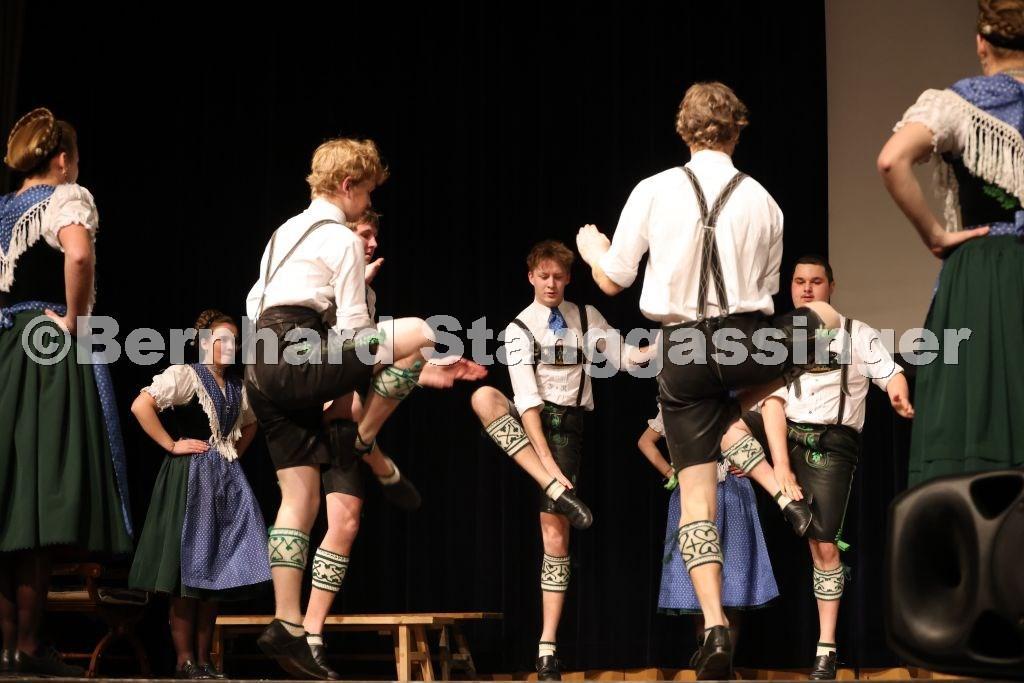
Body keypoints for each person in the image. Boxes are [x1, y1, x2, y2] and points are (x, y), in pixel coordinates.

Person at [576, 82, 837, 679]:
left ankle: (715, 625)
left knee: (696, 501)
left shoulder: (653, 189)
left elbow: (612, 281)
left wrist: (593, 248)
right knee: (823, 318)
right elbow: (770, 296)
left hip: (683, 350)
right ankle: (752, 432)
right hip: (747, 342)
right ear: (738, 131)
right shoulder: (765, 201)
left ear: (682, 130)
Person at [244, 137, 485, 680]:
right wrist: (415, 355)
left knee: (299, 498)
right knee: (422, 331)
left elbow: (256, 301)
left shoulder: (284, 230)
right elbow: (355, 330)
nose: (368, 205)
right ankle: (365, 438)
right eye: (368, 193)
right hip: (300, 353)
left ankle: (287, 622)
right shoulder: (341, 239)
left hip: (261, 366)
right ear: (348, 185)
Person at [721, 256, 912, 679]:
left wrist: (897, 394)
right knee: (723, 423)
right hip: (785, 431)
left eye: (816, 281)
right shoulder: (780, 339)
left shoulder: (857, 333)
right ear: (791, 288)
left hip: (832, 443)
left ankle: (826, 648)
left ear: (831, 287)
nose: (807, 288)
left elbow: (891, 373)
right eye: (799, 281)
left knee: (824, 548)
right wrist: (780, 471)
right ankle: (781, 496)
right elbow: (771, 402)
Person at [471, 239, 652, 680]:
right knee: (483, 397)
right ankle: (552, 483)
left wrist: (672, 338)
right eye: (543, 276)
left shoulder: (585, 317)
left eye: (558, 276)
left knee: (555, 539)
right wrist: (548, 470)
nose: (551, 283)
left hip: (567, 430)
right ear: (530, 277)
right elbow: (527, 403)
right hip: (532, 427)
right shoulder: (519, 328)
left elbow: (629, 358)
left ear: (568, 278)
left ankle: (546, 647)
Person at [0, 108, 132, 678]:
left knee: (9, 495)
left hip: (6, 346)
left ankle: (10, 646)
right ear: (61, 160)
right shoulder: (67, 197)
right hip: (44, 350)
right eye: (74, 160)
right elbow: (78, 253)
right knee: (38, 492)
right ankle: (29, 647)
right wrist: (75, 321)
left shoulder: (2, 210)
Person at [878, 0, 1024, 486]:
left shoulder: (961, 103)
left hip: (985, 275)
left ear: (982, 43)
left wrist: (936, 235)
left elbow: (892, 160)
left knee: (979, 410)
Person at [129, 310, 270, 679]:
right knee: (187, 573)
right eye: (223, 340)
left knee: (215, 573)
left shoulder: (237, 386)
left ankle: (205, 659)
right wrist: (171, 444)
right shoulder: (187, 376)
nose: (230, 346)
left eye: (234, 340)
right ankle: (185, 660)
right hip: (189, 479)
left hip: (225, 480)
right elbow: (141, 405)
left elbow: (251, 423)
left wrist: (231, 451)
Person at [638, 407, 778, 654]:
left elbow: (774, 430)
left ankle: (725, 661)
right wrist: (671, 473)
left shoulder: (739, 404)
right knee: (698, 577)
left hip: (735, 495)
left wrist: (756, 463)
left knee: (734, 580)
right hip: (694, 492)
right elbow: (645, 442)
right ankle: (709, 657)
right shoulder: (681, 403)